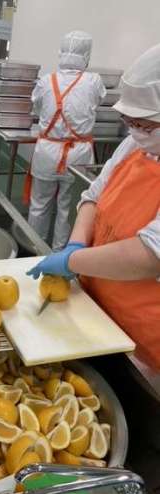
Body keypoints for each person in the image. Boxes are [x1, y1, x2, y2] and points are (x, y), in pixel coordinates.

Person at [28, 43, 160, 377]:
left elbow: (150, 255)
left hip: (143, 342)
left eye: (144, 124)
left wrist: (72, 261)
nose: (134, 130)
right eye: (130, 121)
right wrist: (75, 245)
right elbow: (93, 196)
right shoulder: (135, 144)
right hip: (95, 309)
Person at [26, 30, 106, 251]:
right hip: (78, 155)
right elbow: (99, 101)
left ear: (61, 51)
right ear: (87, 54)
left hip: (47, 151)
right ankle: (61, 252)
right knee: (68, 207)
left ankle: (34, 249)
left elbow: (37, 107)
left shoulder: (46, 81)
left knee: (39, 204)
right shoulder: (94, 81)